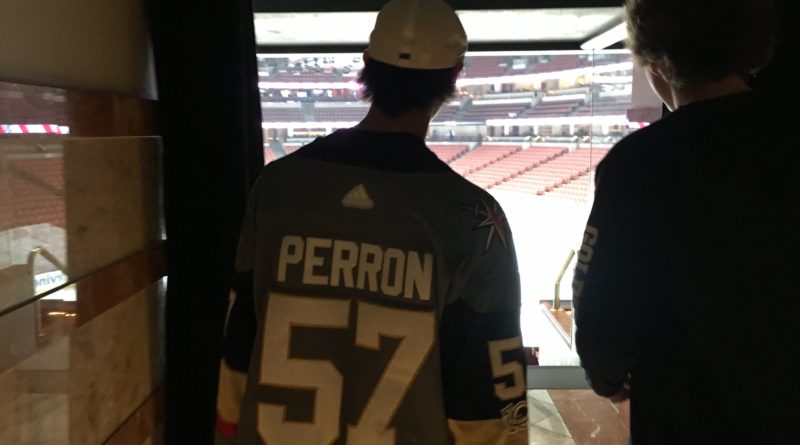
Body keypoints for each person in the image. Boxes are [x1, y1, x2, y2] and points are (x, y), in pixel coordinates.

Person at [215, 1, 529, 444]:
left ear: (367, 64)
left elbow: (239, 337)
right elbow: (486, 396)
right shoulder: (476, 220)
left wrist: (228, 427)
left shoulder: (276, 187)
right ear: (455, 75)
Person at [573, 0, 797, 443]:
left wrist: (605, 375)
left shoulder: (638, 163)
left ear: (655, 61)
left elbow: (603, 297)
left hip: (682, 415)